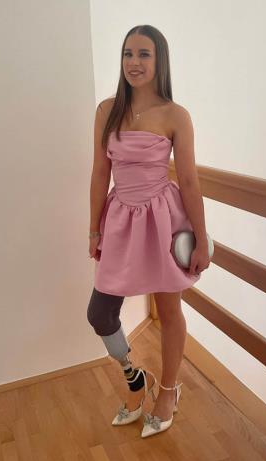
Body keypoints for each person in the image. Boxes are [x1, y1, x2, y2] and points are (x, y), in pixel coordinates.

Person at [86, 25, 211, 439]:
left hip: (162, 220)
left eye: (143, 54)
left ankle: (169, 391)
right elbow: (99, 173)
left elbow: (189, 181)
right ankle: (136, 379)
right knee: (100, 312)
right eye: (128, 54)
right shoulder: (106, 110)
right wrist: (93, 229)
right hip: (120, 221)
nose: (134, 62)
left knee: (169, 310)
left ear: (160, 61)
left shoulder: (176, 116)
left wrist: (201, 238)